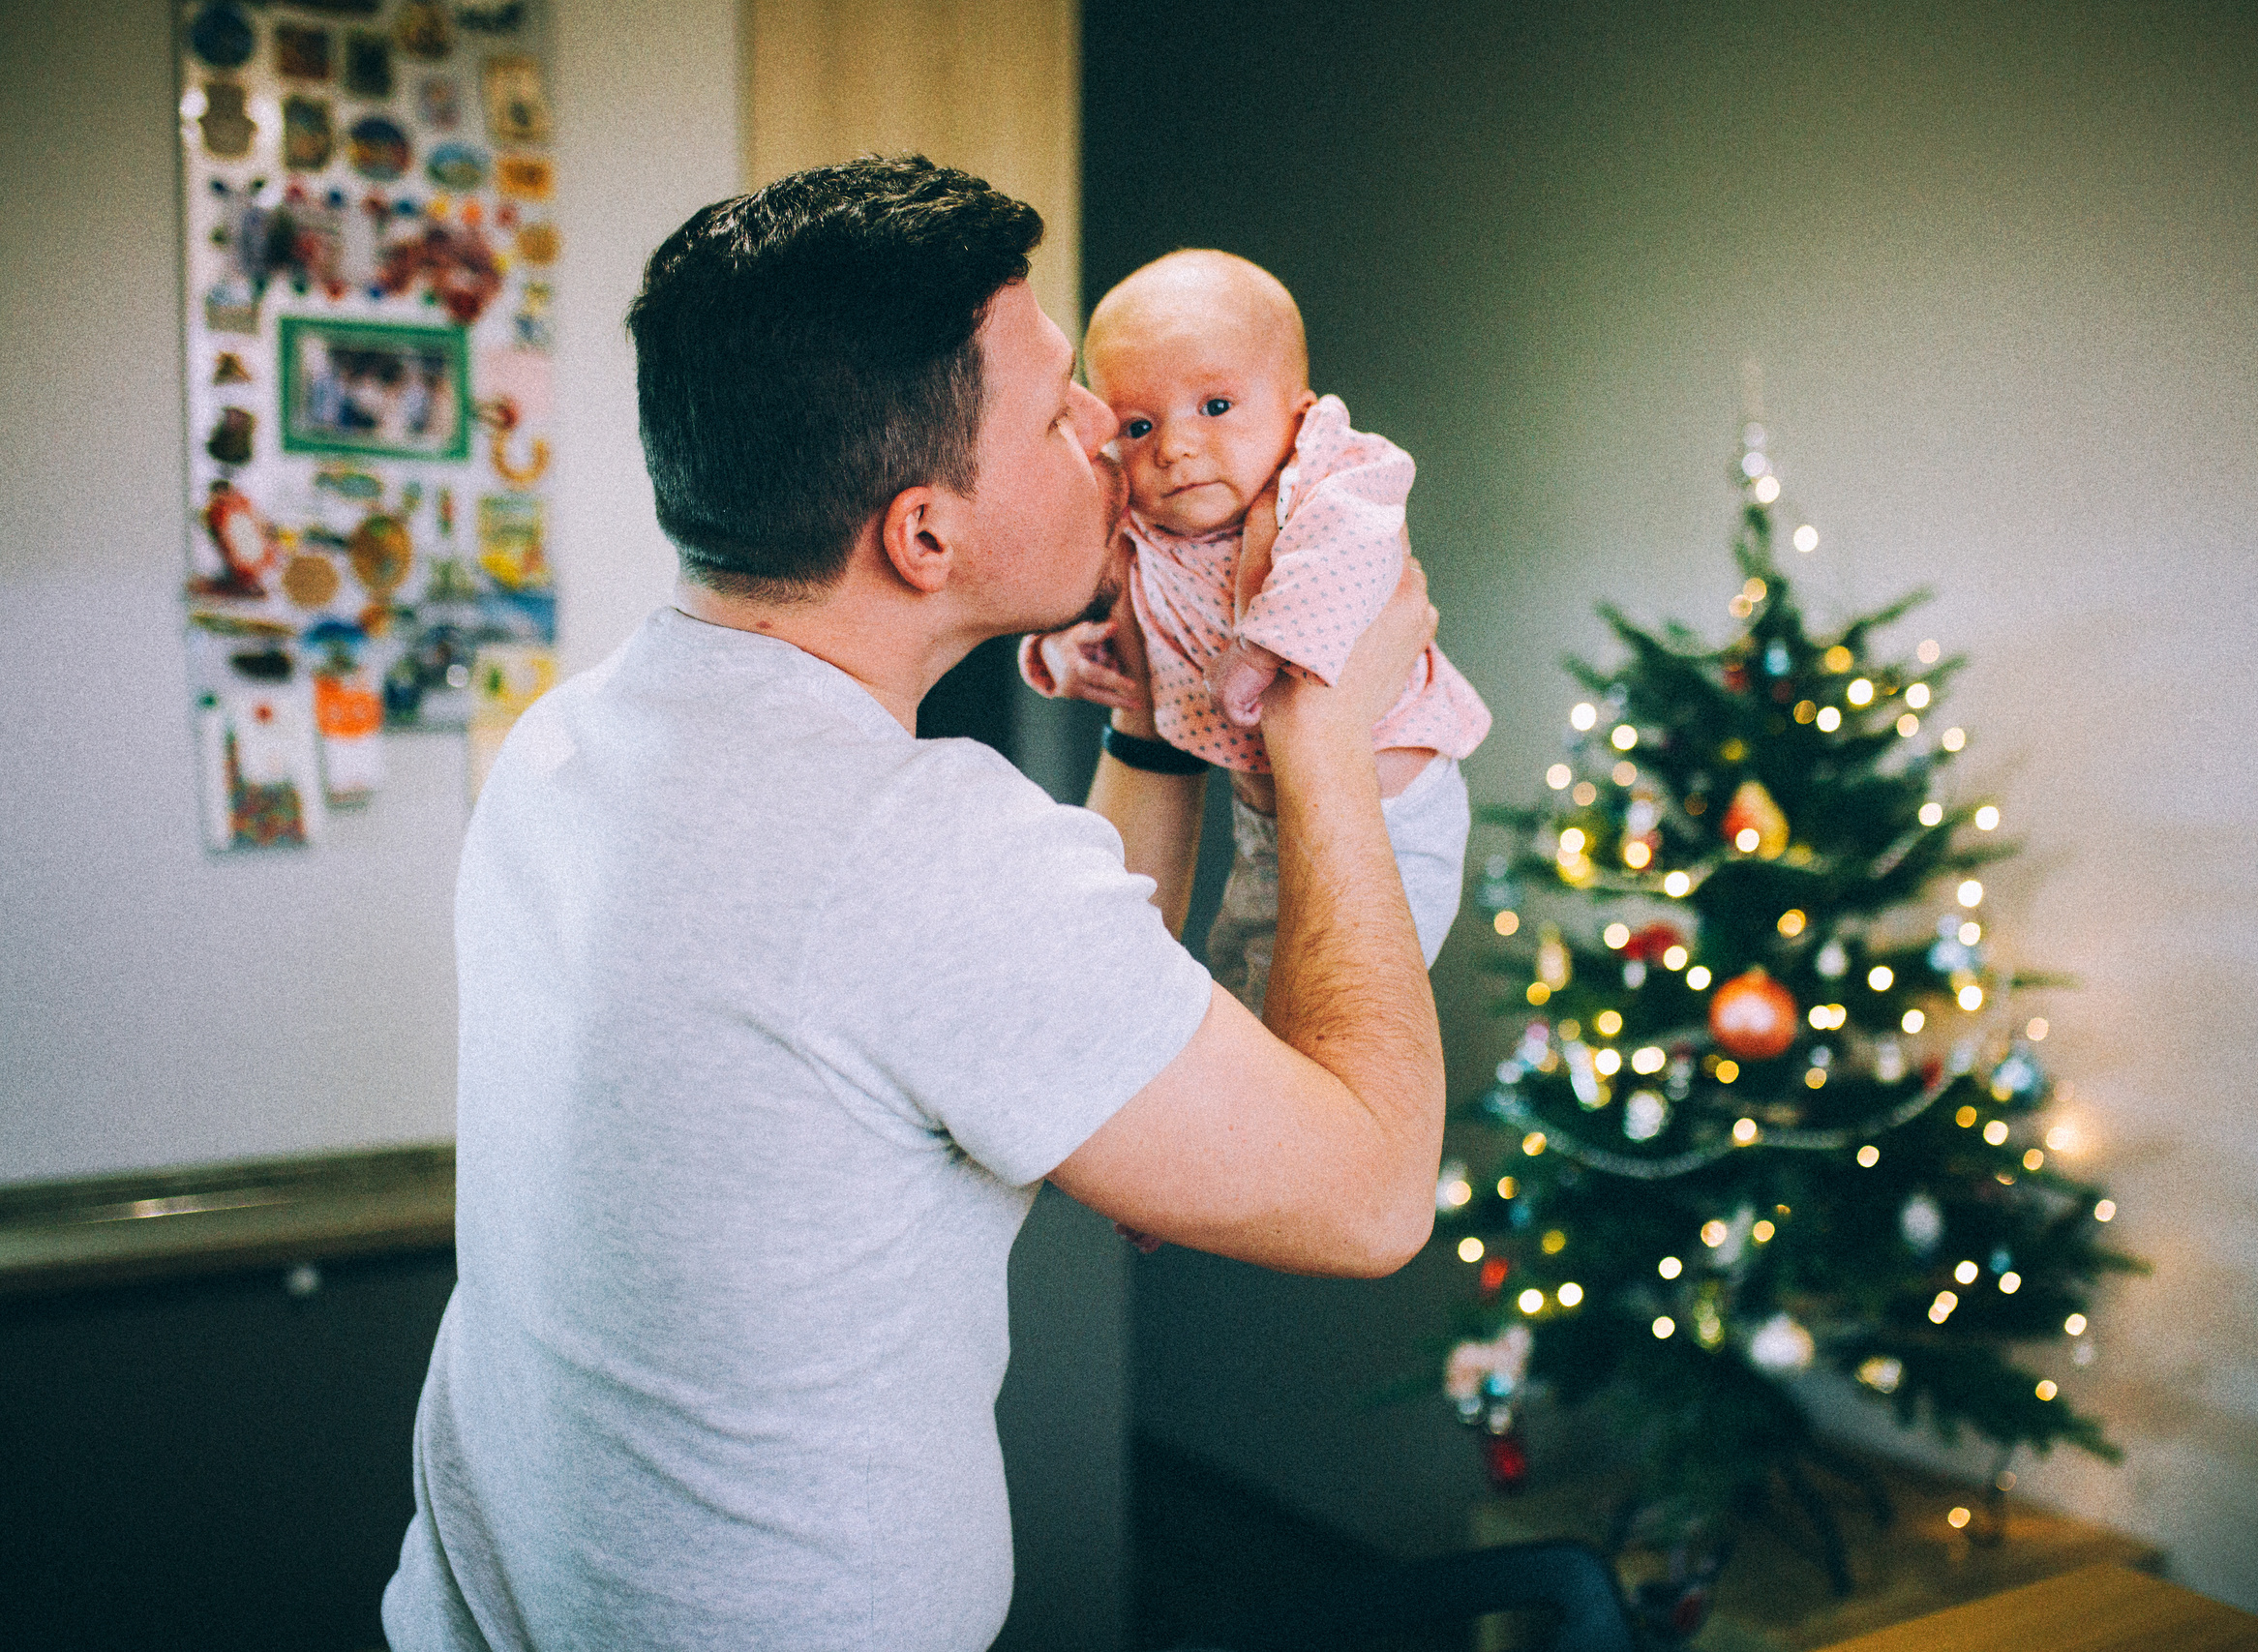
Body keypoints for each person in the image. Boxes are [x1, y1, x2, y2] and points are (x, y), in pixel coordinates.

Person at [380, 156, 1447, 1651]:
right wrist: (1324, 729)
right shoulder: (912, 846)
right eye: (1064, 405)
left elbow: (1042, 994)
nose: (1109, 438)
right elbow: (1375, 1189)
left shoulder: (572, 739)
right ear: (924, 534)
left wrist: (1151, 732)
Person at [1019, 251, 1489, 1012]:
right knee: (1243, 973)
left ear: (1300, 410)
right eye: (1138, 425)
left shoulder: (1328, 479)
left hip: (1391, 811)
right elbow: (1085, 596)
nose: (1173, 447)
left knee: (1340, 1012)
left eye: (1214, 407)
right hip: (1265, 810)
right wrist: (1062, 653)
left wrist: (1263, 645)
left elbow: (1358, 554)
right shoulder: (1142, 526)